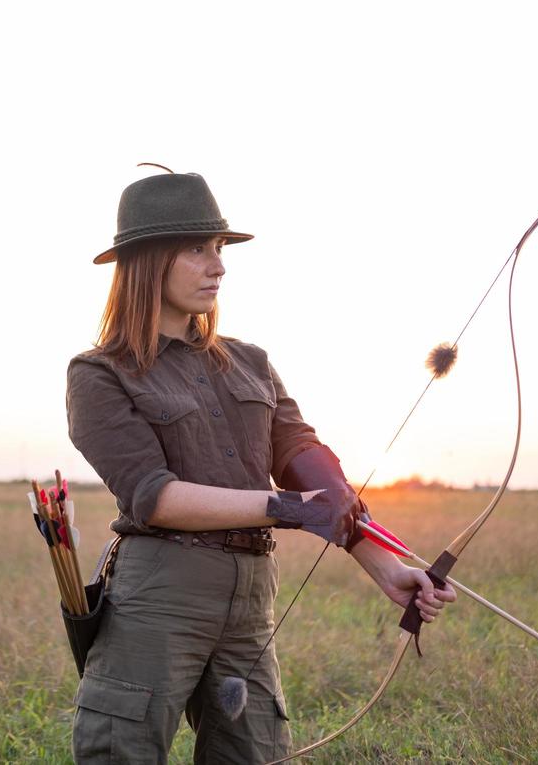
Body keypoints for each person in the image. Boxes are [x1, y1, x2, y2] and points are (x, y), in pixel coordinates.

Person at [66, 168, 456, 765]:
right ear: (146, 260)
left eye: (219, 248)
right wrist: (286, 507)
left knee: (256, 754)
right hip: (160, 594)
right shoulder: (99, 372)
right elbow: (154, 495)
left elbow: (299, 453)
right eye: (196, 249)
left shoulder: (250, 361)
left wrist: (381, 562)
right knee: (123, 750)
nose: (217, 265)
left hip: (251, 598)